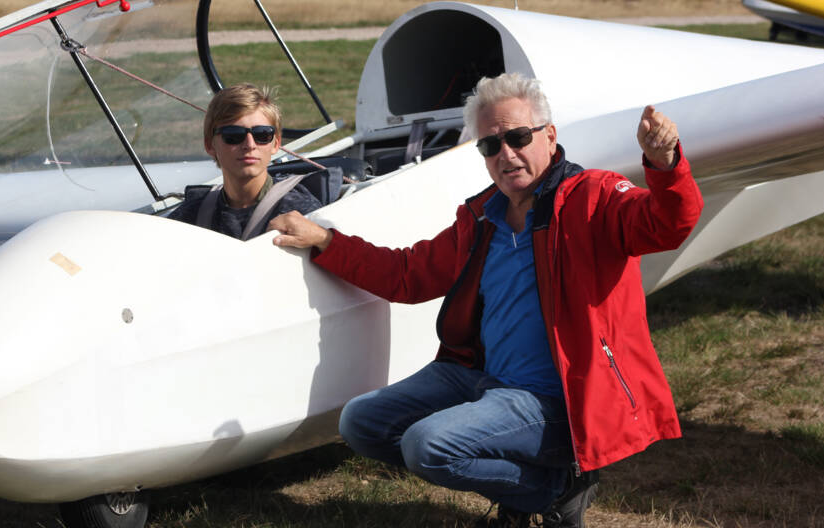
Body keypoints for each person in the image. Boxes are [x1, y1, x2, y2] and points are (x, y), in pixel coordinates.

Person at [268, 73, 704, 527]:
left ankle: (555, 490)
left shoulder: (593, 197)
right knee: (361, 422)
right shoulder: (482, 216)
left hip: (558, 401)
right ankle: (539, 489)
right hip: (481, 378)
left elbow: (667, 225)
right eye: (490, 146)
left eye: (517, 137)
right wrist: (325, 240)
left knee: (427, 446)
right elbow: (408, 275)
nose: (506, 154)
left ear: (549, 136)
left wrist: (665, 163)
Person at [167, 83, 323, 240]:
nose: (250, 145)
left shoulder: (300, 211)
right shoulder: (191, 215)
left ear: (275, 144)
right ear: (210, 145)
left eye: (262, 134)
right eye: (233, 135)